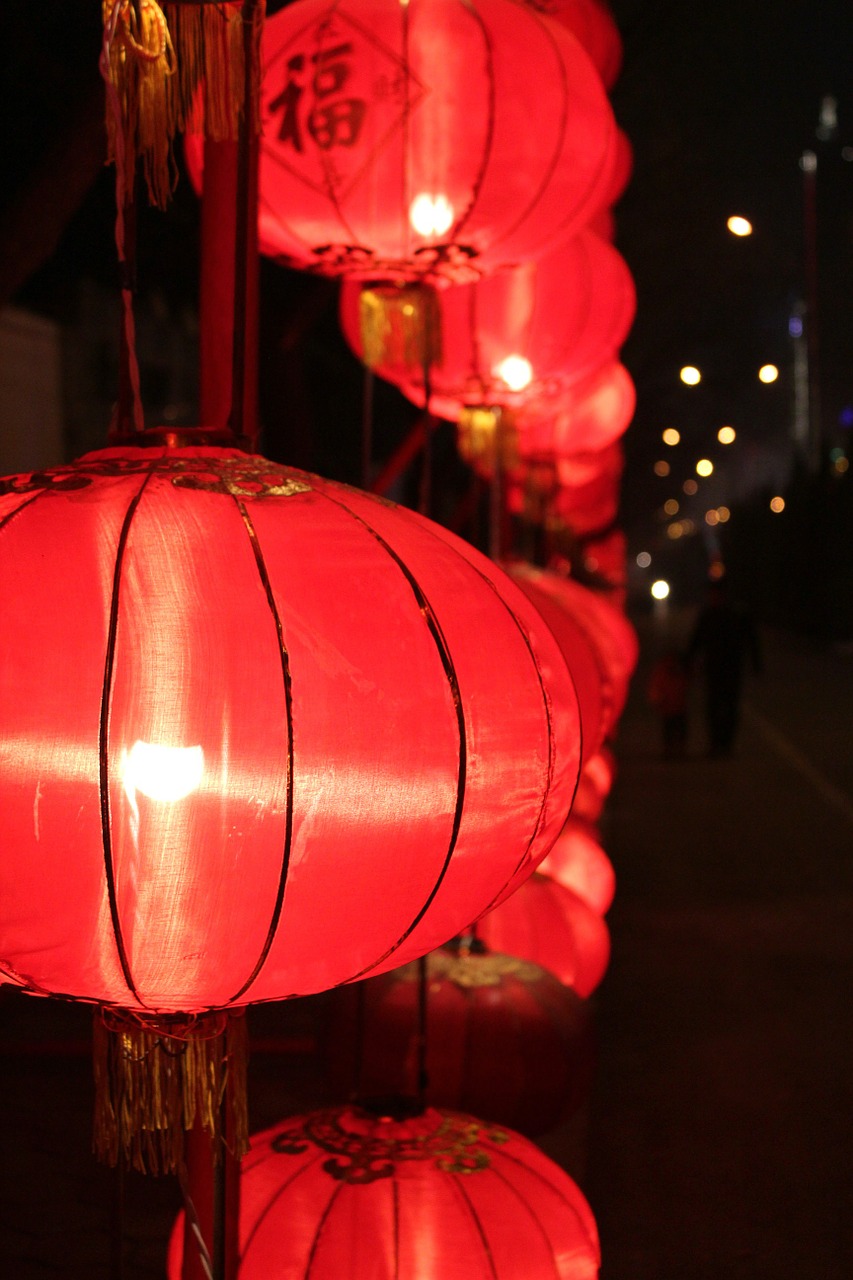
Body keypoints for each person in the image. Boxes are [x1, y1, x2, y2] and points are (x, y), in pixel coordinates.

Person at [686, 579, 762, 756]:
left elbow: (751, 640)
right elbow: (696, 640)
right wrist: (688, 661)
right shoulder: (709, 614)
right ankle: (716, 743)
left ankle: (725, 744)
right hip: (715, 667)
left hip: (731, 667)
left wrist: (756, 663)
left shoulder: (737, 614)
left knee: (729, 706)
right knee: (715, 706)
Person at [647, 650, 690, 758]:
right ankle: (672, 749)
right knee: (672, 730)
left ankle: (676, 749)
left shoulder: (676, 671)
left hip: (676, 707)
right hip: (671, 707)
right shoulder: (666, 671)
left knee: (676, 730)